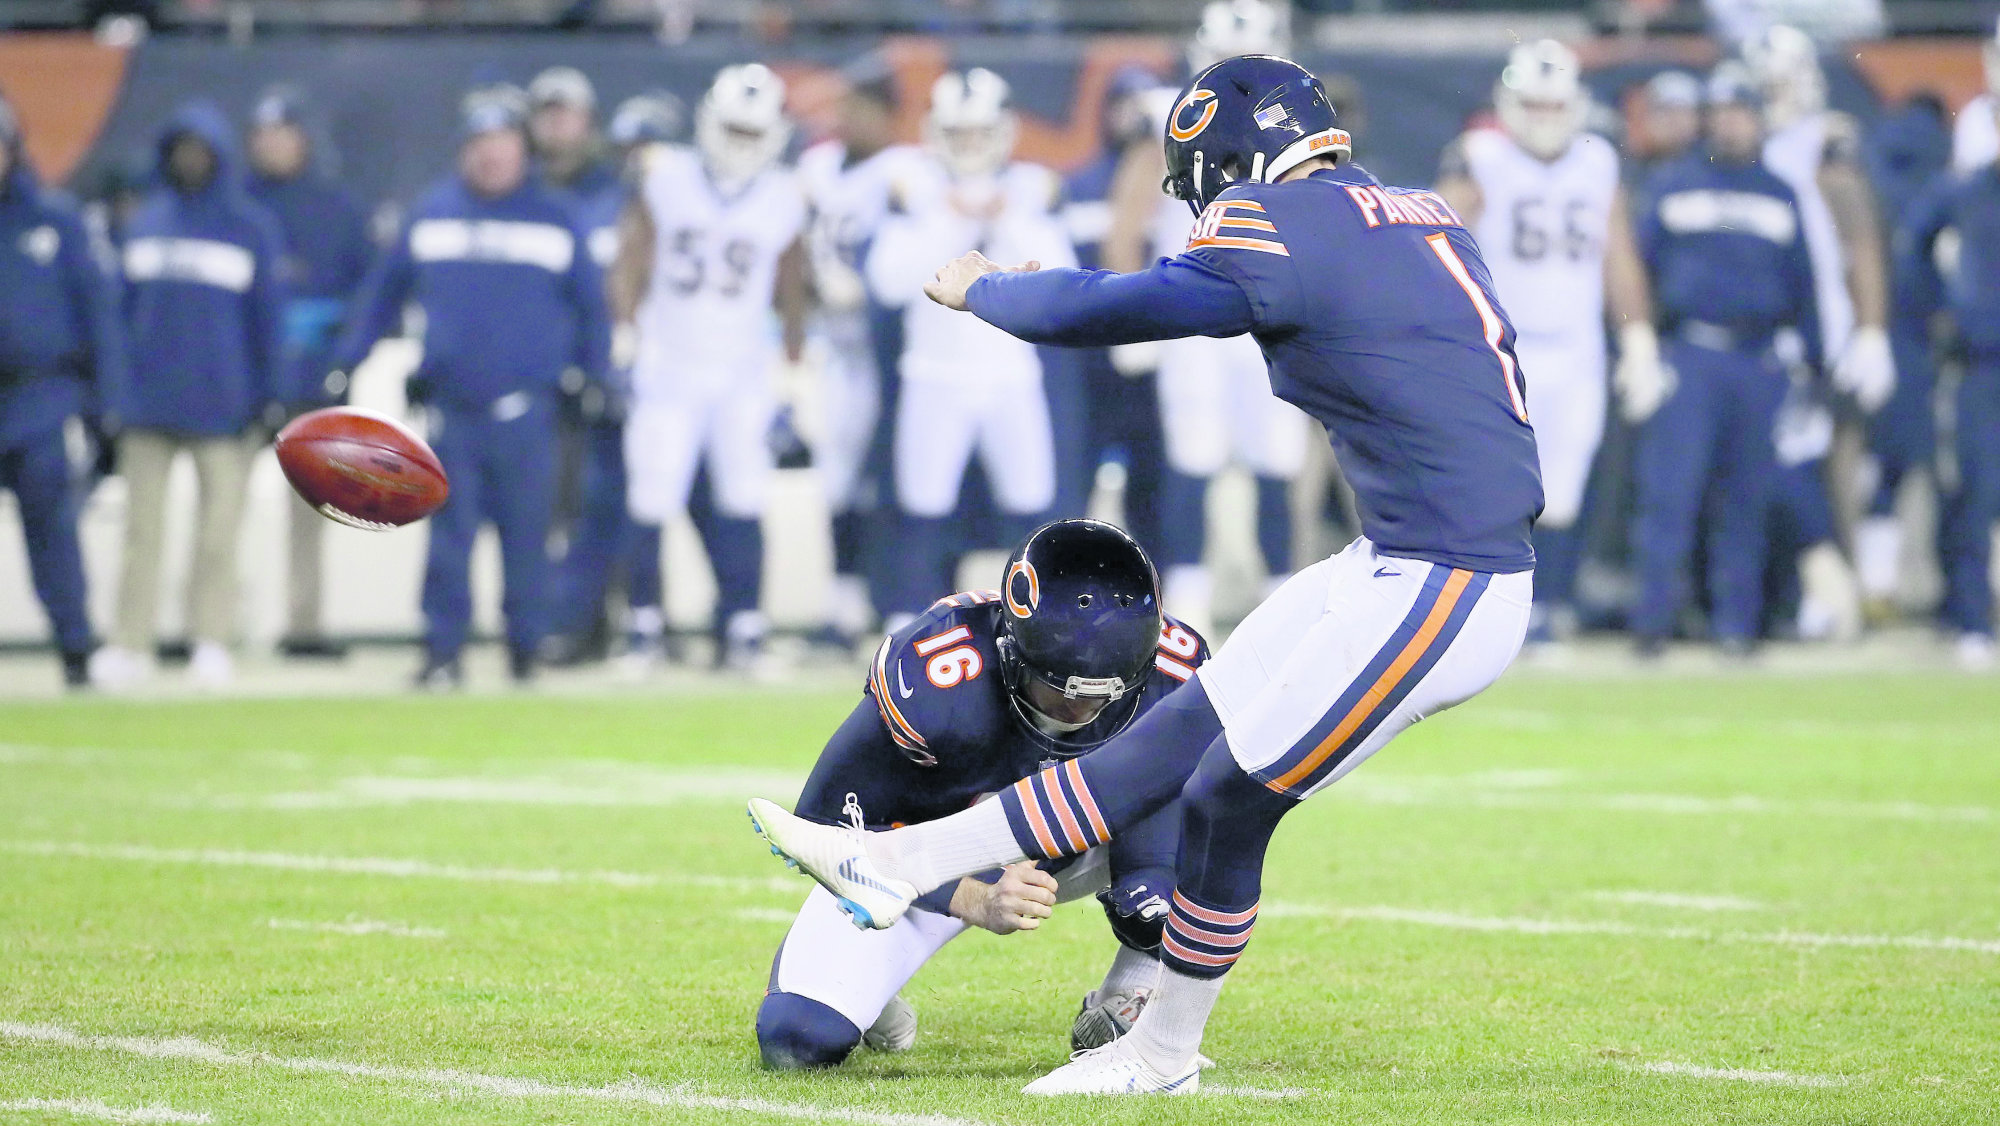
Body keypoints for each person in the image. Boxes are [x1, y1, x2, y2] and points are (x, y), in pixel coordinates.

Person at [749, 54, 1541, 1095]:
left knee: (1224, 794)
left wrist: (988, 290)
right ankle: (895, 865)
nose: (1201, 199)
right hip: (1393, 555)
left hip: (1448, 577)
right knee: (1176, 737)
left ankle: (1159, 1052)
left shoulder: (1281, 223)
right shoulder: (1414, 211)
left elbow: (1115, 309)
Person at [757, 519, 1208, 1069]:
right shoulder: (941, 677)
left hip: (1091, 843)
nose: (1080, 712)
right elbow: (825, 824)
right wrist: (976, 896)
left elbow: (1197, 805)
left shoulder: (1175, 671)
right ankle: (867, 991)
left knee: (1203, 789)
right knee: (798, 1039)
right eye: (1060, 687)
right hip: (932, 856)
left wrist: (1150, 889)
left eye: (1104, 697)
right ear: (1013, 646)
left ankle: (1133, 989)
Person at [332, 86, 610, 688]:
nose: (492, 156)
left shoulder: (555, 218)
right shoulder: (433, 213)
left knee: (527, 539)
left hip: (528, 410)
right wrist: (346, 361)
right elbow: (383, 296)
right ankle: (442, 650)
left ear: (523, 150)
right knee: (449, 544)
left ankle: (525, 650)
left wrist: (595, 374)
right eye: (481, 144)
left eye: (503, 143)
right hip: (452, 410)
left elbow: (592, 310)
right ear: (464, 151)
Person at [1434, 40, 1659, 645]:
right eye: (1531, 105)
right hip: (1502, 345)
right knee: (1500, 484)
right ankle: (1491, 608)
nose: (1543, 118)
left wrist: (1638, 335)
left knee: (1564, 485)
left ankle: (1548, 608)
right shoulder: (1480, 156)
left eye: (1554, 106)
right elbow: (1437, 244)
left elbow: (1619, 254)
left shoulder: (1597, 162)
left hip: (1578, 345)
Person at [613, 64, 807, 672]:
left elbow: (792, 283)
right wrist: (626, 330)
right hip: (668, 362)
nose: (742, 143)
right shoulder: (666, 176)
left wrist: (792, 365)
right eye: (734, 130)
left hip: (742, 370)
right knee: (650, 495)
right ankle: (642, 628)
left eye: (754, 133)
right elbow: (630, 256)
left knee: (744, 498)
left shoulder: (785, 195)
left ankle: (744, 629)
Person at [866, 69, 1075, 631]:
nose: (969, 147)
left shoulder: (1027, 190)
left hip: (1011, 373)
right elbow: (885, 282)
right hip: (933, 373)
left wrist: (1009, 218)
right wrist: (943, 220)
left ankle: (1042, 622)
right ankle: (907, 623)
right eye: (958, 134)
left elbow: (1063, 276)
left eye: (980, 134)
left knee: (1032, 502)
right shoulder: (915, 190)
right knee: (922, 504)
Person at [93, 100, 286, 690]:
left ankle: (210, 640)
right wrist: (115, 396)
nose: (191, 160)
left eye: (201, 150)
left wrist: (269, 397)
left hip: (225, 410)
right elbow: (117, 322)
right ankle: (131, 642)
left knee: (219, 534)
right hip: (147, 408)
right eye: (182, 150)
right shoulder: (145, 223)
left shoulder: (250, 228)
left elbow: (266, 323)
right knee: (141, 533)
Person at [1628, 66, 1820, 656]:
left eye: (1743, 112)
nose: (1733, 124)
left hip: (1757, 360)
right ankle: (1652, 624)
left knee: (1746, 500)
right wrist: (1640, 346)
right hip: (1690, 353)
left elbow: (1803, 284)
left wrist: (1813, 363)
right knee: (1671, 494)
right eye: (1724, 112)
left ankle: (1735, 626)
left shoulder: (1780, 191)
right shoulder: (1673, 183)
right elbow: (1638, 270)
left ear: (1759, 120)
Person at [795, 60, 927, 650]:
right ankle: (843, 604)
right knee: (839, 479)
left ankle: (887, 600)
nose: (845, 119)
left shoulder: (903, 171)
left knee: (890, 478)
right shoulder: (816, 168)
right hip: (833, 344)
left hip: (887, 347)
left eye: (858, 108)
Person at [242, 86, 373, 661]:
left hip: (312, 381)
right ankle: (212, 627)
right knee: (220, 508)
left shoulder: (337, 208)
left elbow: (368, 293)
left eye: (282, 133)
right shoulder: (234, 207)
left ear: (302, 139)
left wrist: (342, 360)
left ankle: (304, 623)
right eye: (262, 135)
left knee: (312, 510)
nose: (272, 145)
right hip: (241, 382)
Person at [0, 97, 125, 689]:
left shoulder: (56, 221)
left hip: (37, 399)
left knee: (53, 529)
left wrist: (108, 410)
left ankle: (76, 647)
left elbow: (99, 317)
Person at [1901, 119, 2000, 668]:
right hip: (1982, 363)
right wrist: (1940, 316)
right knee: (1976, 492)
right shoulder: (1965, 191)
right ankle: (1971, 620)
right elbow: (1912, 248)